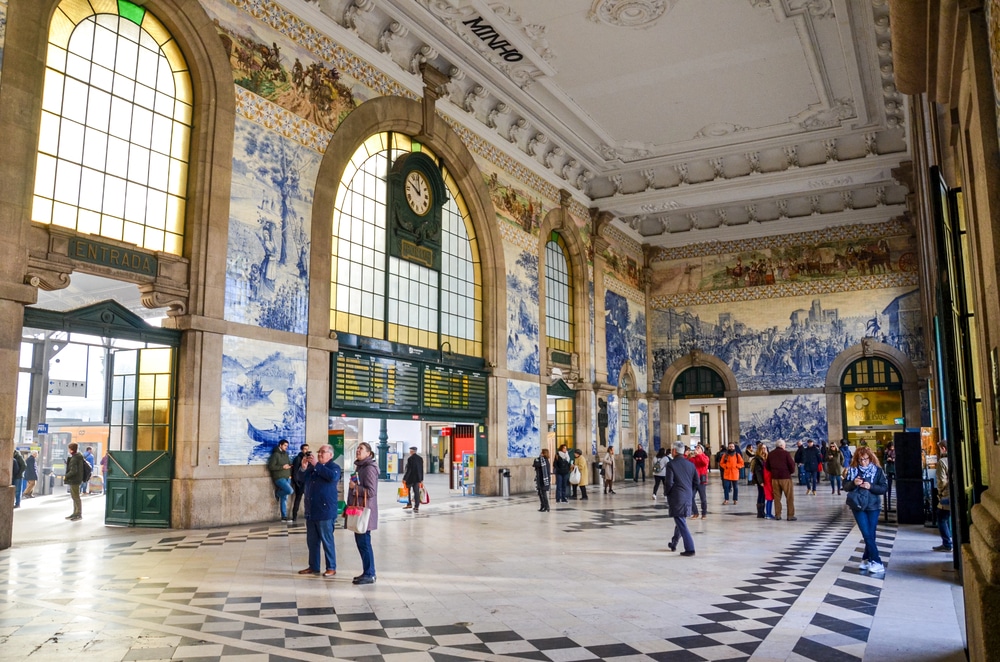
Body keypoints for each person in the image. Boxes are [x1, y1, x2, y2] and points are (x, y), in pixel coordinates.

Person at [297, 444, 341, 577]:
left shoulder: (334, 468)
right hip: (311, 511)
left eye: (323, 452)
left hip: (325, 512)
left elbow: (331, 477)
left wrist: (317, 465)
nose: (320, 454)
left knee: (327, 541)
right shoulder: (313, 468)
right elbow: (300, 479)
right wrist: (303, 468)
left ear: (330, 455)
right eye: (319, 452)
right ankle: (313, 566)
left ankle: (331, 567)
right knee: (312, 542)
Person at [844, 446, 889, 574]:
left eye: (865, 459)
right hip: (857, 505)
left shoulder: (878, 471)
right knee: (866, 532)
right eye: (860, 460)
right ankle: (877, 561)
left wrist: (871, 486)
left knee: (871, 532)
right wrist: (854, 483)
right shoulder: (852, 470)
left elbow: (883, 488)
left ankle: (867, 559)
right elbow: (846, 487)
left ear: (870, 458)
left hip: (873, 505)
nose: (863, 462)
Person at [348, 442, 379, 584]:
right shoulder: (361, 467)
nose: (358, 450)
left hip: (365, 510)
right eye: (357, 448)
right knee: (361, 542)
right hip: (359, 508)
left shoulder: (370, 468)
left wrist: (355, 488)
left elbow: (371, 492)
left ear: (369, 453)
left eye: (361, 449)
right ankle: (367, 572)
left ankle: (370, 573)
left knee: (364, 542)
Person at [664, 441, 699, 557]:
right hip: (688, 497)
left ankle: (690, 548)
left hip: (677, 497)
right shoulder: (691, 465)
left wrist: (667, 493)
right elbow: (697, 482)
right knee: (680, 520)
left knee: (681, 523)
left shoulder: (671, 465)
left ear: (674, 451)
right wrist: (689, 492)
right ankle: (674, 543)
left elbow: (669, 482)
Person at [765, 439, 797, 521]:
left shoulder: (771, 454)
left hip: (775, 479)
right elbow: (792, 466)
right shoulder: (786, 453)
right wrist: (789, 472)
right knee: (789, 497)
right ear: (782, 445)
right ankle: (790, 515)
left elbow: (767, 466)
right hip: (785, 478)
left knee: (777, 497)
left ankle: (777, 515)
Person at [267, 439, 294, 522]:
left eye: (287, 446)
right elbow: (271, 467)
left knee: (284, 498)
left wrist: (290, 474)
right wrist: (282, 467)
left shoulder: (286, 454)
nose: (286, 447)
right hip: (279, 477)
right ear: (280, 445)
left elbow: (288, 464)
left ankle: (284, 517)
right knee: (290, 491)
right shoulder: (275, 455)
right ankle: (278, 493)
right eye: (285, 445)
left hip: (287, 477)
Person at [934, 442, 953, 552]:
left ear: (943, 448)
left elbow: (942, 480)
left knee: (941, 518)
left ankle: (947, 543)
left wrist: (940, 492)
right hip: (955, 494)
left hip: (946, 494)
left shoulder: (942, 462)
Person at [750, 442, 773, 519]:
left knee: (764, 495)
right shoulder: (757, 459)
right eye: (762, 448)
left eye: (765, 448)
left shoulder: (767, 457)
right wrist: (761, 481)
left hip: (767, 479)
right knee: (761, 494)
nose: (764, 450)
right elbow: (758, 471)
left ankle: (763, 511)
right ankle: (760, 512)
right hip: (762, 480)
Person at [64, 442, 86, 521]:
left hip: (74, 480)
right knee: (75, 497)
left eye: (69, 448)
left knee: (76, 497)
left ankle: (78, 513)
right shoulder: (78, 457)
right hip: (77, 479)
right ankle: (75, 512)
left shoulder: (74, 458)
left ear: (71, 449)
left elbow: (74, 471)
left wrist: (66, 476)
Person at [289, 443, 311, 522]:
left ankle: (309, 514)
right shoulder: (298, 458)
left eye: (307, 449)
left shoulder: (308, 458)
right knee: (297, 499)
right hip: (300, 482)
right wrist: (296, 482)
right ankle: (294, 516)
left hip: (307, 482)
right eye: (305, 449)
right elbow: (295, 471)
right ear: (302, 449)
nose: (306, 451)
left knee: (308, 499)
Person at [689, 444, 709, 518]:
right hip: (693, 480)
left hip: (701, 480)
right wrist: (687, 456)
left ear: (702, 450)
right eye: (696, 448)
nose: (696, 449)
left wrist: (699, 455)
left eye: (698, 448)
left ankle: (704, 513)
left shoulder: (705, 457)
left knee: (703, 498)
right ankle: (695, 512)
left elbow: (704, 463)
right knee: (690, 497)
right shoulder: (693, 458)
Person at [402, 446, 424, 512]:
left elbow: (409, 470)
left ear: (411, 451)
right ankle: (416, 506)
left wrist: (404, 478)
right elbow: (421, 469)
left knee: (407, 491)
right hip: (417, 478)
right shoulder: (420, 458)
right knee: (416, 492)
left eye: (410, 451)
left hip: (410, 478)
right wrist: (421, 479)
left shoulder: (410, 459)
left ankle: (409, 504)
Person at [533, 448, 552, 512]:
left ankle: (546, 506)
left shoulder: (544, 461)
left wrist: (537, 459)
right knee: (540, 493)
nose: (540, 453)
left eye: (541, 452)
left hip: (543, 480)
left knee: (543, 493)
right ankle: (543, 506)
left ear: (543, 453)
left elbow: (536, 464)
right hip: (540, 479)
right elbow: (535, 464)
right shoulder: (542, 460)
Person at [883, 440, 896, 506]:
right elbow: (884, 460)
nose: (892, 447)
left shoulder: (896, 452)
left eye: (893, 446)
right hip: (889, 469)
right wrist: (887, 460)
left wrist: (894, 460)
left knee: (897, 485)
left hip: (895, 469)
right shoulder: (886, 452)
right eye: (891, 446)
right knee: (889, 485)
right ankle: (888, 503)